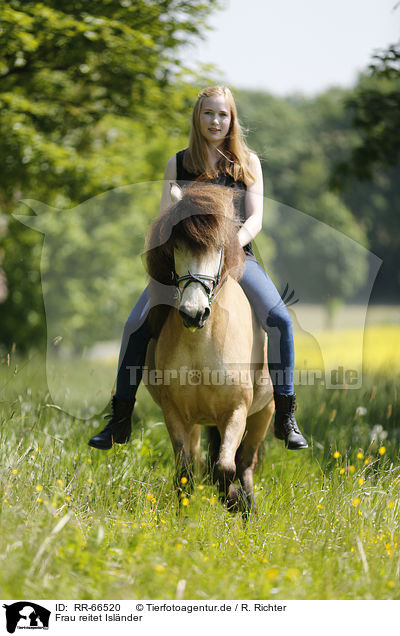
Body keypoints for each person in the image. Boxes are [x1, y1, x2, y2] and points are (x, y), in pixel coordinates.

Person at [88, 86, 308, 451]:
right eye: (209, 114)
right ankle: (120, 418)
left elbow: (255, 220)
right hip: (185, 262)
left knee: (281, 319)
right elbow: (165, 218)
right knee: (135, 324)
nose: (216, 121)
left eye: (223, 115)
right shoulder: (178, 163)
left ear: (232, 119)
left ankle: (285, 414)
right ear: (198, 117)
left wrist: (230, 243)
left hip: (236, 258)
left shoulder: (247, 163)